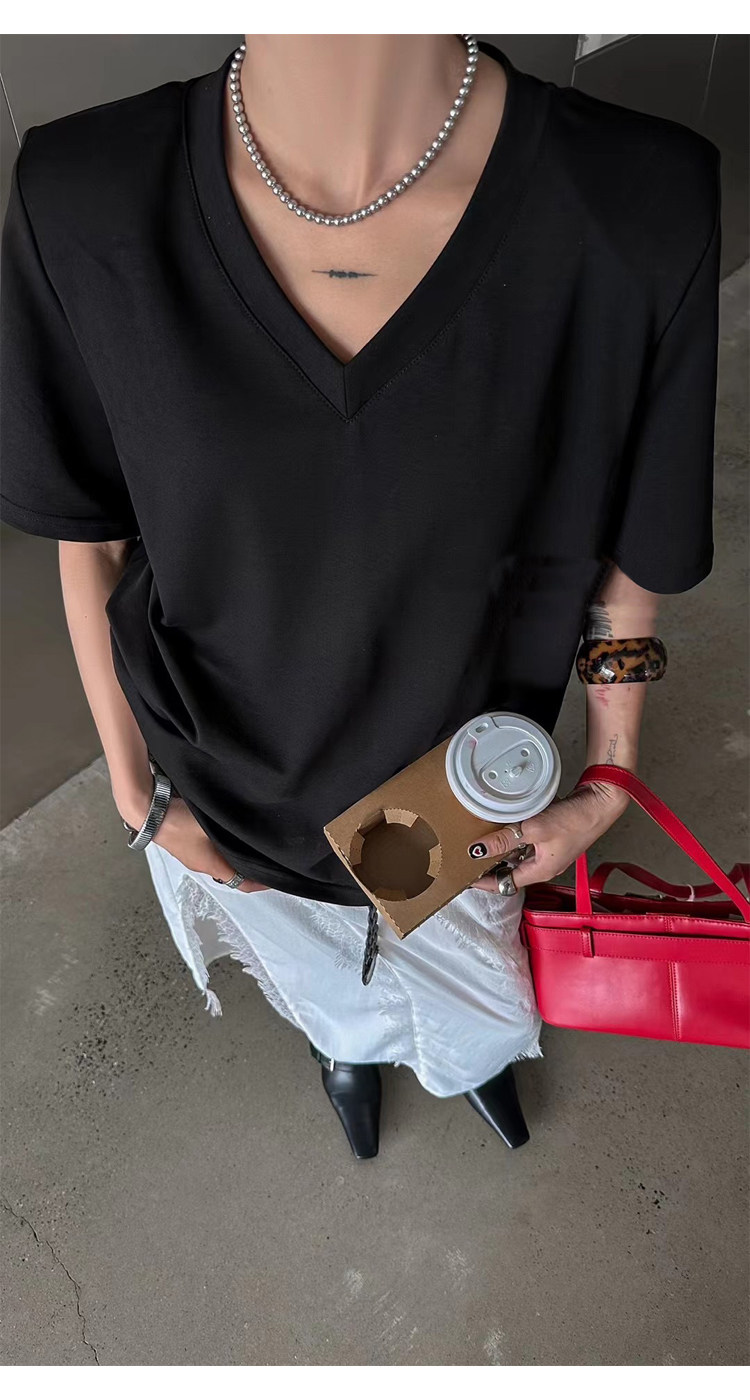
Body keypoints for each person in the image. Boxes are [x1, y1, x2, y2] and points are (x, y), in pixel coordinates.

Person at [0, 35, 721, 1159]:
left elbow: (637, 547)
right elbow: (90, 534)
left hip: (467, 791)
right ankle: (345, 1046)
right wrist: (135, 791)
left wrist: (610, 772)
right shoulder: (85, 196)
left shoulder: (637, 204)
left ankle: (470, 1056)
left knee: (475, 973)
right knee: (315, 974)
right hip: (225, 786)